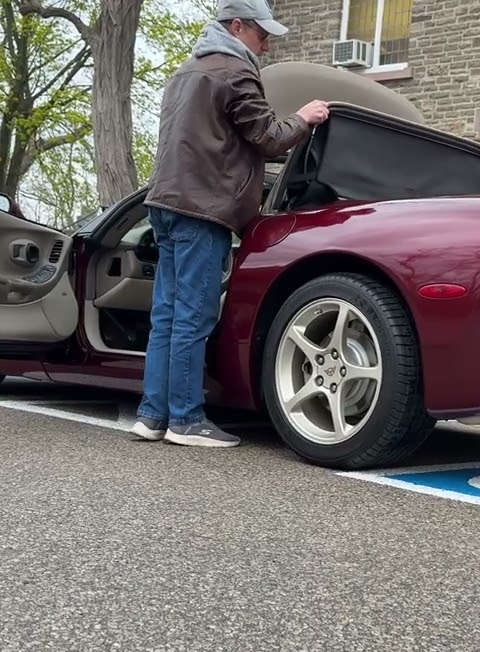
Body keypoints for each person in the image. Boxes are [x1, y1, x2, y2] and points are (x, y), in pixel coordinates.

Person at [130, 0, 330, 448]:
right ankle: (186, 420)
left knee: (166, 314)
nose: (265, 45)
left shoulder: (185, 73)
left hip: (164, 202)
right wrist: (306, 116)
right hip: (203, 209)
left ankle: (151, 415)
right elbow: (268, 137)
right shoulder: (235, 71)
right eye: (261, 35)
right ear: (236, 26)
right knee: (194, 316)